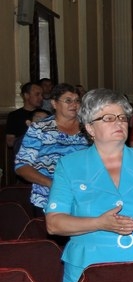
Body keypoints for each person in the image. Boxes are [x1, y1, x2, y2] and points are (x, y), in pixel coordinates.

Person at [44, 89, 133, 282]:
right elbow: (54, 223)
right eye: (108, 118)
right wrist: (99, 223)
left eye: (122, 118)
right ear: (90, 127)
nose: (119, 123)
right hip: (88, 269)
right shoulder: (69, 165)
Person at [15, 83, 90, 214]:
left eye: (77, 101)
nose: (74, 104)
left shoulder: (88, 128)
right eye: (68, 101)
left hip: (84, 196)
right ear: (54, 103)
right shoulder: (40, 128)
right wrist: (53, 184)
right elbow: (22, 167)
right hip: (48, 197)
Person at [4, 81, 44, 150]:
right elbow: (10, 142)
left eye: (41, 95)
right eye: (37, 94)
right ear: (26, 95)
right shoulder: (14, 116)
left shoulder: (45, 114)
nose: (41, 98)